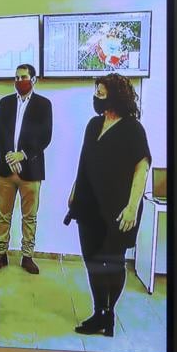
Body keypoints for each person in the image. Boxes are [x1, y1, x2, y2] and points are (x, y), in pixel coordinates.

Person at [68, 74, 151, 337]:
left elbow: (142, 168)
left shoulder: (133, 129)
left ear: (116, 96)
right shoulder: (93, 124)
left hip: (118, 209)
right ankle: (99, 312)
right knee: (92, 261)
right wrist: (74, 191)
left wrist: (132, 207)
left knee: (113, 263)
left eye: (101, 93)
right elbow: (84, 161)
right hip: (88, 206)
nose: (97, 97)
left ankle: (110, 313)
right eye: (96, 92)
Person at [0, 64, 53, 275]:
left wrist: (22, 155)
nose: (19, 81)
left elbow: (45, 135)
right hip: (4, 169)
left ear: (33, 80)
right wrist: (9, 155)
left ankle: (27, 256)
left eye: (23, 77)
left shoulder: (43, 104)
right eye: (16, 77)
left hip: (31, 170)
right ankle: (1, 253)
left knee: (29, 217)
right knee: (3, 215)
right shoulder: (5, 102)